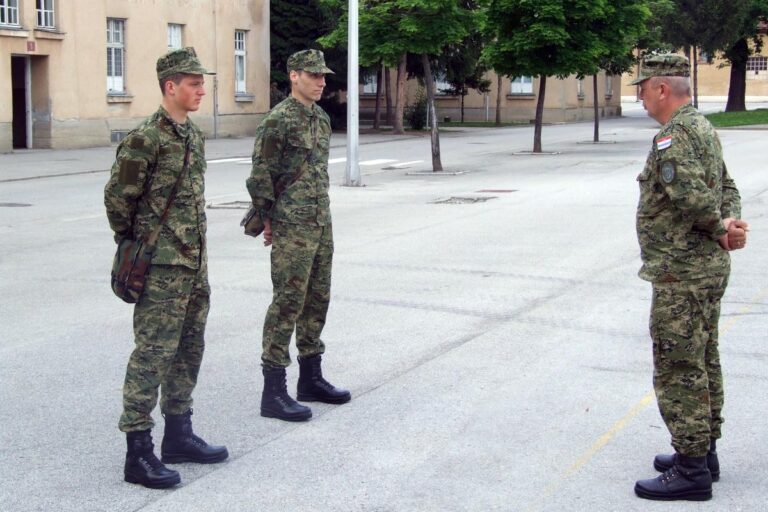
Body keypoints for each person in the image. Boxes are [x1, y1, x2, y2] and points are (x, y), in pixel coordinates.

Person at [104, 47, 228, 489]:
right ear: (170, 86)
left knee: (189, 348)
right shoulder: (145, 139)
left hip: (194, 266)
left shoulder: (192, 135)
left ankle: (179, 434)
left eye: (202, 82)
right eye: (193, 83)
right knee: (152, 355)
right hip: (160, 269)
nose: (201, 89)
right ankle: (138, 451)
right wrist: (139, 245)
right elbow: (118, 202)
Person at [631, 54, 749, 501]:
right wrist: (731, 223)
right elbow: (727, 186)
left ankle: (692, 470)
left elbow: (692, 197)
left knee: (679, 365)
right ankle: (705, 452)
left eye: (643, 88)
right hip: (705, 269)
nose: (639, 96)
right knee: (704, 358)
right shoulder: (701, 126)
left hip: (683, 270)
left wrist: (721, 229)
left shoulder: (673, 136)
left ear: (662, 89)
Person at [247, 49, 351, 422]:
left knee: (317, 297)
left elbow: (318, 173)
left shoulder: (321, 119)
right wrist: (267, 216)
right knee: (287, 302)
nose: (322, 81)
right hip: (291, 225)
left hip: (320, 221)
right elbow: (261, 174)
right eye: (313, 75)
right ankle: (273, 391)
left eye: (323, 76)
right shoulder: (278, 121)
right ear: (294, 76)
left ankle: (311, 377)